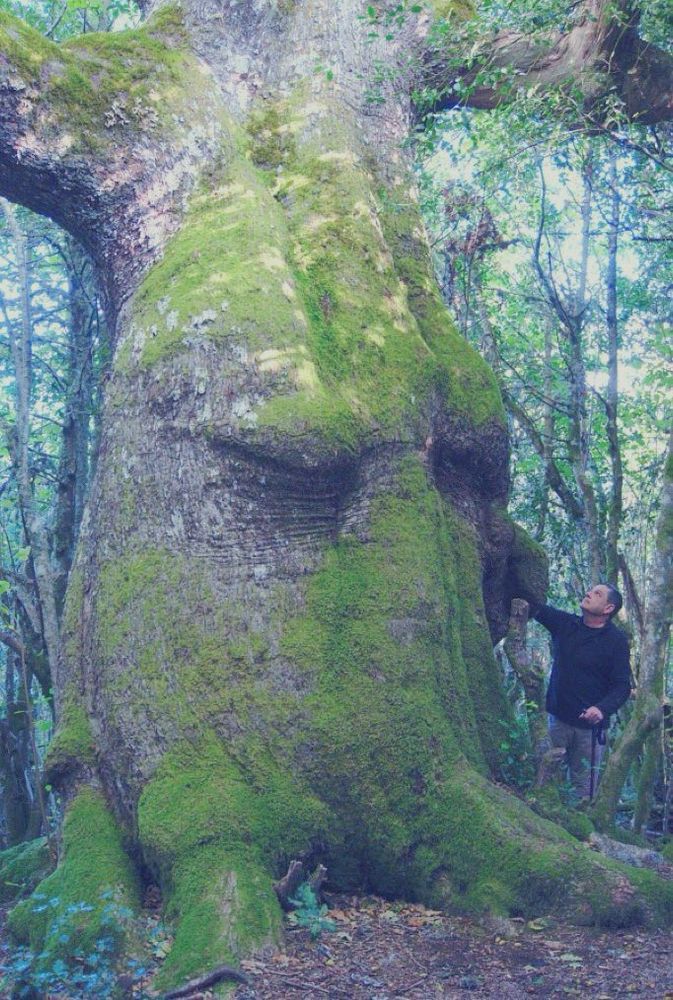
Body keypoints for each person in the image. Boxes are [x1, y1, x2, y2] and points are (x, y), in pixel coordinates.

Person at [534, 583, 631, 800]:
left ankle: (577, 831)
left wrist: (601, 709)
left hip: (591, 731)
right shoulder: (566, 624)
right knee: (546, 780)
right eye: (590, 590)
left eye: (597, 594)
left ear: (608, 609)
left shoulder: (616, 641)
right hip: (558, 721)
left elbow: (622, 685)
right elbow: (534, 606)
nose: (588, 593)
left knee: (583, 792)